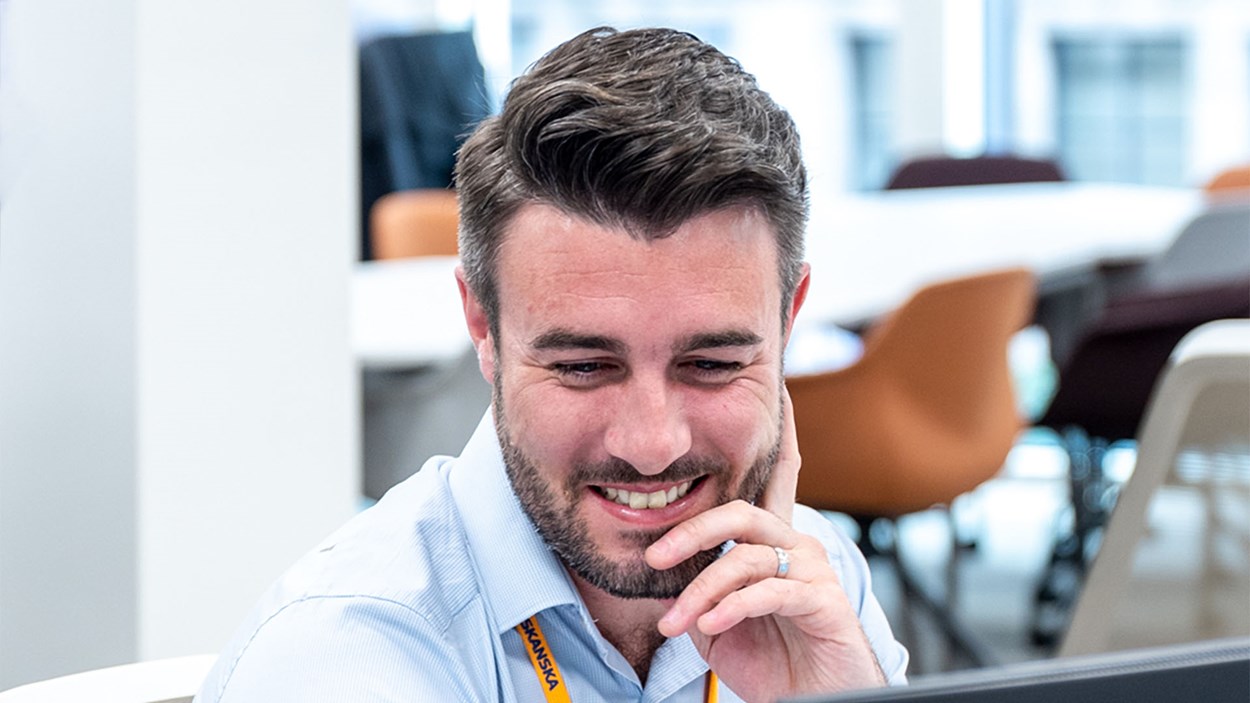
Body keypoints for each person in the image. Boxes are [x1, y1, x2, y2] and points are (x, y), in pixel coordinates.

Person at [195, 26, 908, 703]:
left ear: (786, 323)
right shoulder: (348, 659)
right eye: (585, 366)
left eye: (712, 363)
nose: (653, 443)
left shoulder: (812, 581)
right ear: (484, 324)